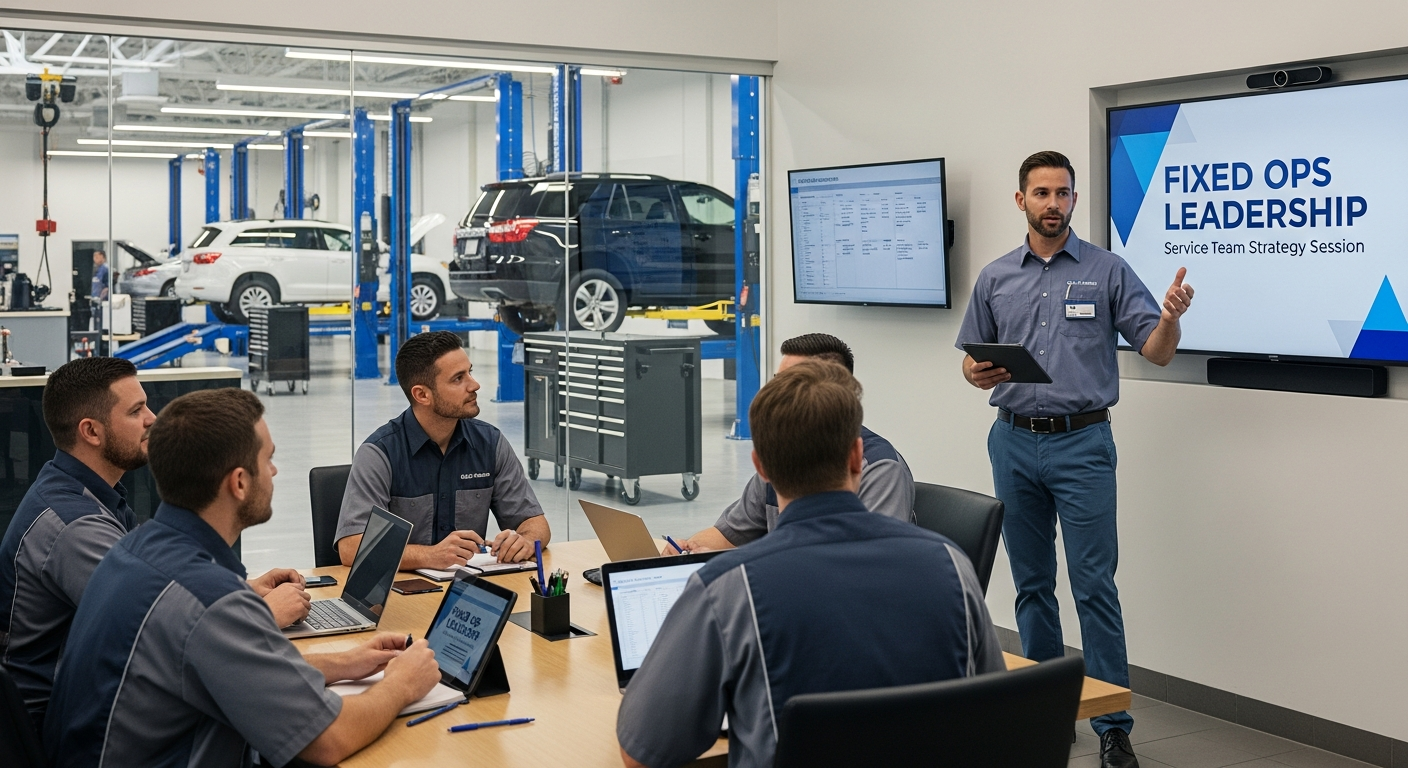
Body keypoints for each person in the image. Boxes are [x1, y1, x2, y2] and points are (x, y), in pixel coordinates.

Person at [617, 361, 1003, 768]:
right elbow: (996, 711)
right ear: (857, 456)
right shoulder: (952, 566)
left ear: (761, 467)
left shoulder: (729, 589)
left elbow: (641, 753)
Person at [45, 389, 442, 767]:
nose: (273, 471)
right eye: (267, 460)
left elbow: (233, 672)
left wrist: (347, 662)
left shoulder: (137, 550)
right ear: (238, 482)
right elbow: (327, 739)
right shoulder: (210, 600)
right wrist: (401, 685)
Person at [954, 151, 1194, 768]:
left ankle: (1113, 724)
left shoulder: (1107, 271)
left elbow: (1158, 352)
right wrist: (977, 373)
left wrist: (1168, 318)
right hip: (1011, 439)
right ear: (1021, 201)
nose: (1053, 203)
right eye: (1041, 193)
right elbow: (969, 362)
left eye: (1063, 192)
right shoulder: (995, 276)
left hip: (1083, 444)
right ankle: (1044, 712)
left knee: (1094, 585)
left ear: (1073, 200)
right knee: (1032, 586)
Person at [0, 358, 309, 726]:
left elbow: (160, 592)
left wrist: (244, 591)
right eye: (136, 411)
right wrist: (265, 614)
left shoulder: (91, 494)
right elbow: (158, 633)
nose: (153, 419)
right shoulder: (75, 527)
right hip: (64, 725)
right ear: (91, 432)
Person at [666, 333, 914, 555]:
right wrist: (687, 551)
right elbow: (730, 533)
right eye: (778, 380)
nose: (779, 391)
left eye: (795, 382)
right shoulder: (781, 455)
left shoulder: (881, 469)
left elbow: (870, 561)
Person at [337, 331, 549, 568]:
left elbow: (535, 522)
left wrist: (526, 540)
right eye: (458, 379)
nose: (475, 385)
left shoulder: (490, 443)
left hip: (466, 592)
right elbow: (351, 547)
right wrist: (429, 556)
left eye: (470, 372)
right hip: (402, 595)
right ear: (422, 395)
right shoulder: (379, 454)